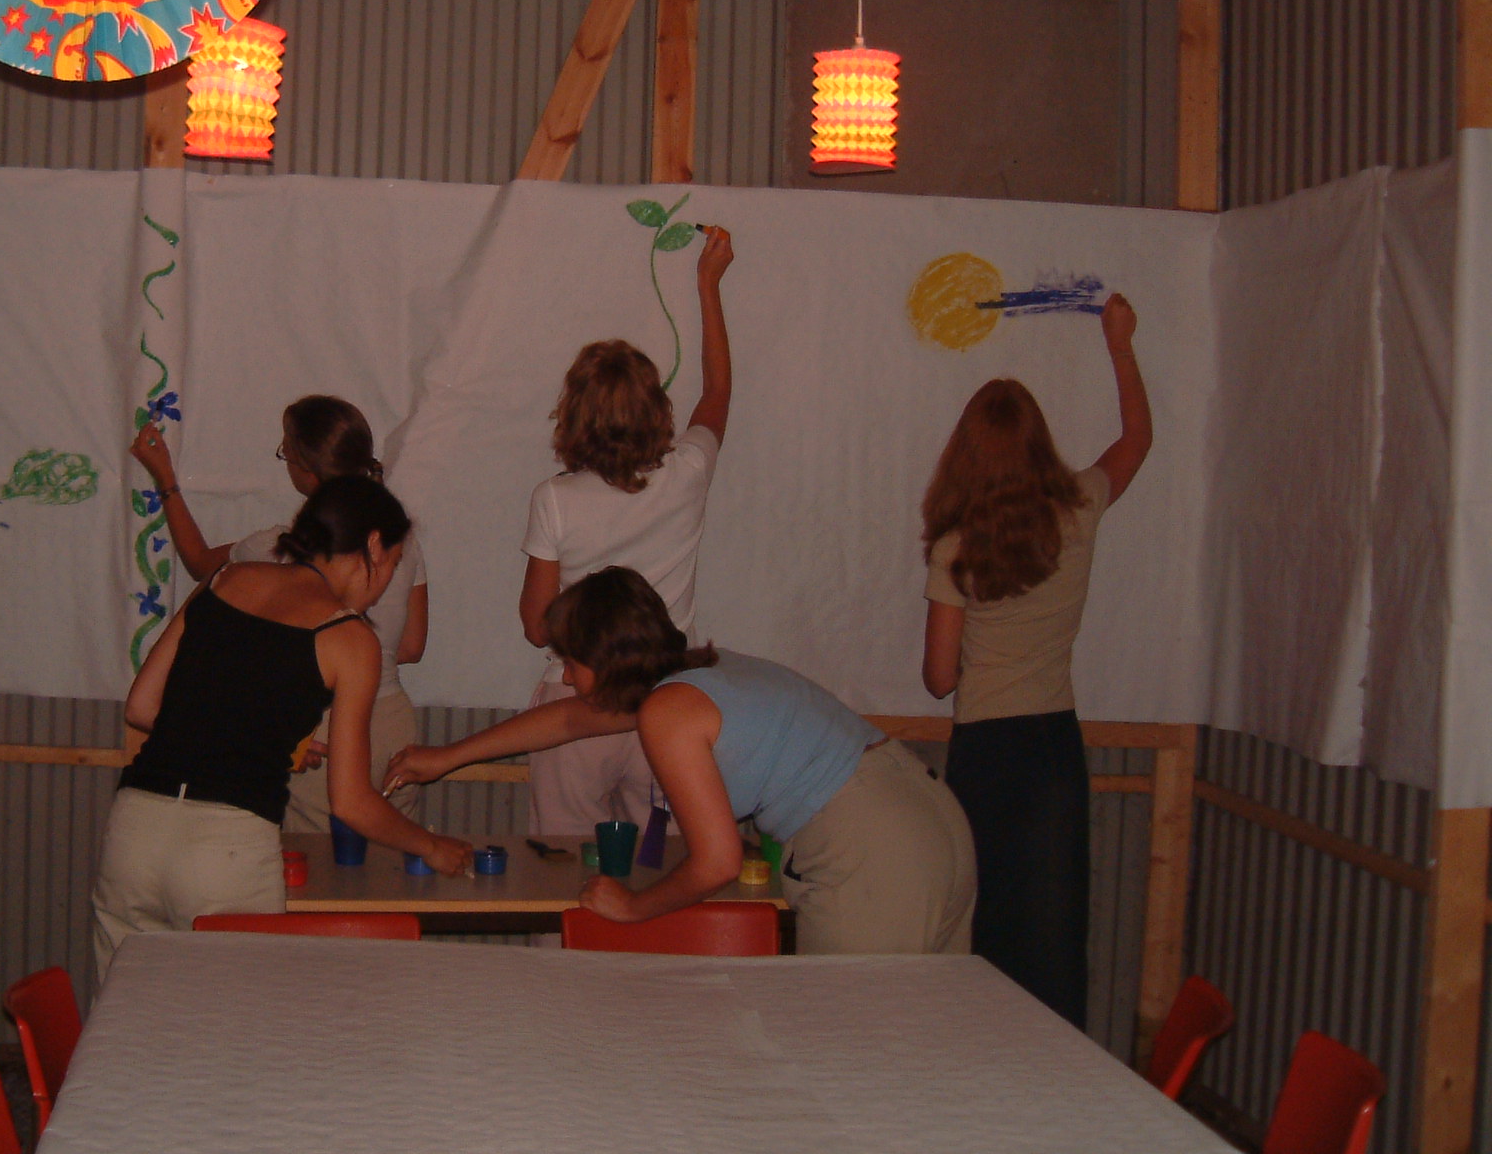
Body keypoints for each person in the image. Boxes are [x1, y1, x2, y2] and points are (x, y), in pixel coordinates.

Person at [390, 567, 976, 953]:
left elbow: (718, 862)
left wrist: (633, 907)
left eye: (571, 662)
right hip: (931, 820)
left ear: (607, 657)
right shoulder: (697, 678)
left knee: (851, 1057)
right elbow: (568, 722)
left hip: (871, 852)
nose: (565, 677)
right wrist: (446, 757)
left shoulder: (668, 712)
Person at [91, 476, 472, 968]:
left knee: (125, 1011)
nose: (383, 590)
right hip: (226, 850)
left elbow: (142, 707)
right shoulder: (349, 637)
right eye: (393, 565)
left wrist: (271, 741)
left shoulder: (227, 579)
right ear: (374, 545)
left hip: (135, 832)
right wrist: (432, 846)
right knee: (236, 1014)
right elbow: (352, 803)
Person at [918, 293, 1152, 1027]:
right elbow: (1136, 439)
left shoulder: (956, 546)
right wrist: (1120, 345)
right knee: (1051, 940)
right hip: (1053, 748)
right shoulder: (1078, 508)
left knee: (985, 934)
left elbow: (939, 679)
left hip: (986, 751)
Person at [518, 225, 733, 836]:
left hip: (575, 701)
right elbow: (718, 389)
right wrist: (708, 284)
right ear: (658, 410)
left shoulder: (555, 499)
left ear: (573, 416)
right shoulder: (688, 472)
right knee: (662, 863)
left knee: (561, 866)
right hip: (666, 698)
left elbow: (537, 627)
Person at [131, 395, 429, 831]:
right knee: (390, 860)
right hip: (391, 725)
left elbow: (199, 562)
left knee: (311, 863)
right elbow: (411, 646)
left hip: (317, 726)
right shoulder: (401, 539)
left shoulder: (277, 548)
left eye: (286, 452)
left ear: (306, 470)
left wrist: (167, 481)